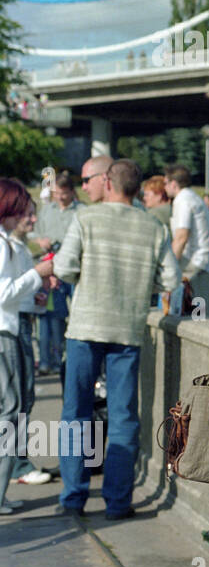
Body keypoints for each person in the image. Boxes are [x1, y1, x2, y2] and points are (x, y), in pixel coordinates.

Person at [54, 159, 181, 519]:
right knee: (125, 416)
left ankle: (74, 496)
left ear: (108, 183)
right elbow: (170, 279)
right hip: (127, 330)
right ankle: (118, 501)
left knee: (76, 413)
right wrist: (144, 285)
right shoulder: (152, 226)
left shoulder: (85, 219)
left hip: (84, 328)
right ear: (137, 188)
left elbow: (63, 268)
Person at [1, 181, 59, 513]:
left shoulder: (13, 246)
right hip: (7, 335)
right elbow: (2, 294)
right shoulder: (4, 247)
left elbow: (16, 296)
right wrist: (38, 274)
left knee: (17, 407)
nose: (32, 220)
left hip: (16, 330)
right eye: (26, 212)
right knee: (11, 410)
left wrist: (36, 293)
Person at [32, 170, 83, 375]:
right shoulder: (46, 211)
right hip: (51, 268)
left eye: (63, 193)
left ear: (71, 192)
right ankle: (52, 359)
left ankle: (71, 359)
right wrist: (39, 240)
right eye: (56, 193)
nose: (60, 197)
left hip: (75, 269)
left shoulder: (81, 211)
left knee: (77, 315)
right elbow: (33, 232)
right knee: (53, 317)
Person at [164, 165, 209, 284]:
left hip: (195, 259)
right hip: (204, 258)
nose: (164, 187)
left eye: (166, 183)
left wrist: (170, 268)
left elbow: (181, 237)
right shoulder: (192, 196)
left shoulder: (183, 200)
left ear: (174, 184)